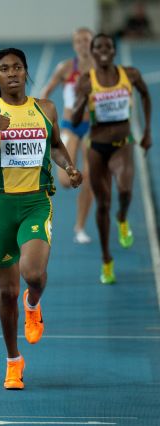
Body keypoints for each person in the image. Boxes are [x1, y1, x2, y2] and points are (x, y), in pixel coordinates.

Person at [0, 48, 82, 389]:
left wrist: (69, 166)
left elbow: (56, 145)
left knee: (32, 274)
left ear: (26, 72)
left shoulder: (45, 109)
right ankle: (14, 361)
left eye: (17, 67)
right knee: (4, 292)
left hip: (35, 204)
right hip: (1, 207)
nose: (12, 72)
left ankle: (34, 303)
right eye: (4, 68)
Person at [72, 33, 152, 284]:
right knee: (103, 204)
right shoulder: (86, 81)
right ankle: (107, 260)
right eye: (98, 47)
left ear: (114, 50)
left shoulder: (130, 74)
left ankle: (122, 218)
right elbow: (75, 121)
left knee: (126, 191)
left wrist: (147, 130)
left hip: (123, 144)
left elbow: (145, 95)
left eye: (108, 46)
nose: (104, 50)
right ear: (93, 52)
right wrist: (82, 101)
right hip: (96, 147)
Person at [40, 28, 94, 244]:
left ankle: (80, 226)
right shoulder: (65, 68)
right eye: (78, 41)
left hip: (92, 127)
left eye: (86, 40)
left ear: (92, 43)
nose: (82, 44)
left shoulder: (101, 68)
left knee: (88, 178)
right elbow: (45, 92)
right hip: (69, 125)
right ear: (74, 45)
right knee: (65, 179)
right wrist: (41, 118)